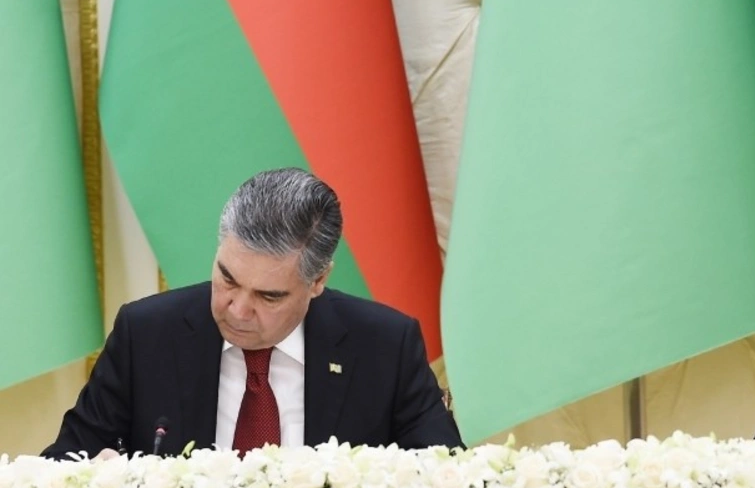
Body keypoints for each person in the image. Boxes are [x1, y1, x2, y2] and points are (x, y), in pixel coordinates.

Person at [44, 168, 461, 458]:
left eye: (269, 296)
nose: (238, 310)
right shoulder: (146, 335)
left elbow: (445, 482)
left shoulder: (384, 347)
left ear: (318, 281)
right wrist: (97, 476)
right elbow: (63, 468)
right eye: (227, 278)